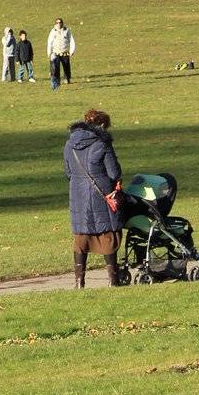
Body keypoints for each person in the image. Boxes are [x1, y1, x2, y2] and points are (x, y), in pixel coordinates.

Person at [64, 107, 124, 287]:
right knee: (107, 234)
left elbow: (68, 172)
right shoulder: (102, 143)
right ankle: (113, 280)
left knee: (81, 237)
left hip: (78, 194)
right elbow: (114, 173)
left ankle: (79, 281)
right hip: (101, 193)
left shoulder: (69, 144)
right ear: (103, 125)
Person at [47, 17, 75, 88]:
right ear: (55, 24)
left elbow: (71, 40)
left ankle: (67, 78)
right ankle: (57, 81)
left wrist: (72, 50)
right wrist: (49, 52)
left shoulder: (67, 30)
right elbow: (50, 42)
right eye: (57, 23)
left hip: (64, 52)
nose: (59, 24)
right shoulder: (53, 31)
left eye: (60, 22)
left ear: (62, 23)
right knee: (55, 68)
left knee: (66, 66)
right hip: (56, 52)